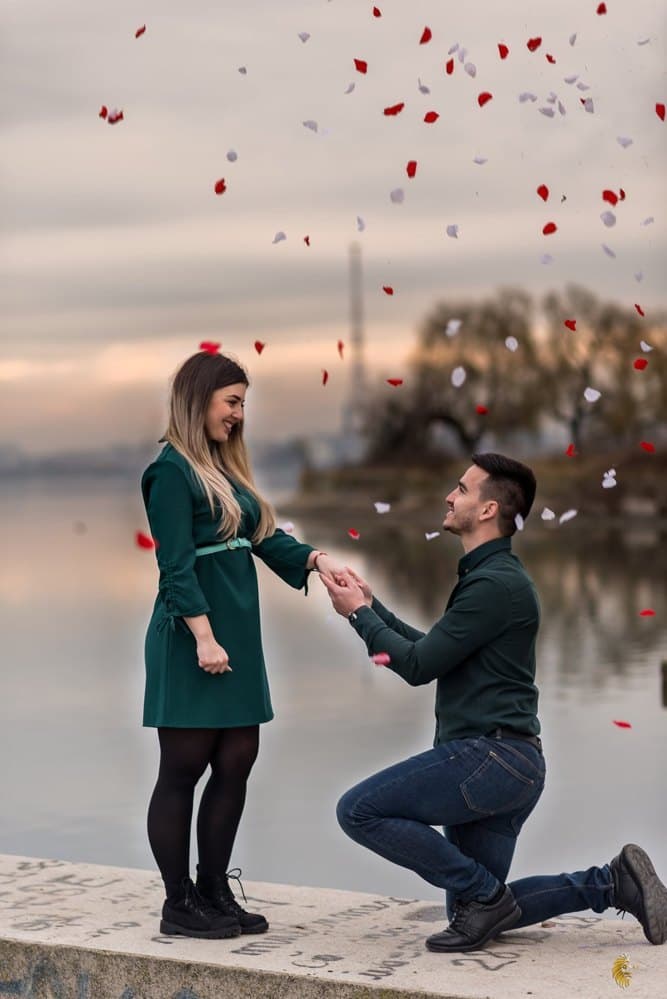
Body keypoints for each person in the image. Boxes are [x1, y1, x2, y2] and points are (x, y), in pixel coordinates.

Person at [320, 453, 667, 953]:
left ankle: (486, 893)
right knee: (474, 913)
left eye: (461, 488)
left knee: (358, 811)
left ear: (487, 510)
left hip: (491, 759)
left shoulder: (494, 585)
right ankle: (611, 884)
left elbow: (416, 668)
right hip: (510, 762)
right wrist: (373, 609)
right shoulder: (493, 579)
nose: (449, 495)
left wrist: (357, 617)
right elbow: (430, 653)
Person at [141, 350, 344, 940]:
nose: (238, 415)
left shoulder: (226, 473)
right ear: (197, 399)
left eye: (242, 404)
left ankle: (212, 891)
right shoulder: (170, 473)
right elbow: (175, 567)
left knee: (236, 762)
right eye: (232, 402)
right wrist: (202, 637)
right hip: (191, 637)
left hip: (238, 641)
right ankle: (178, 903)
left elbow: (263, 538)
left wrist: (317, 561)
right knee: (183, 767)